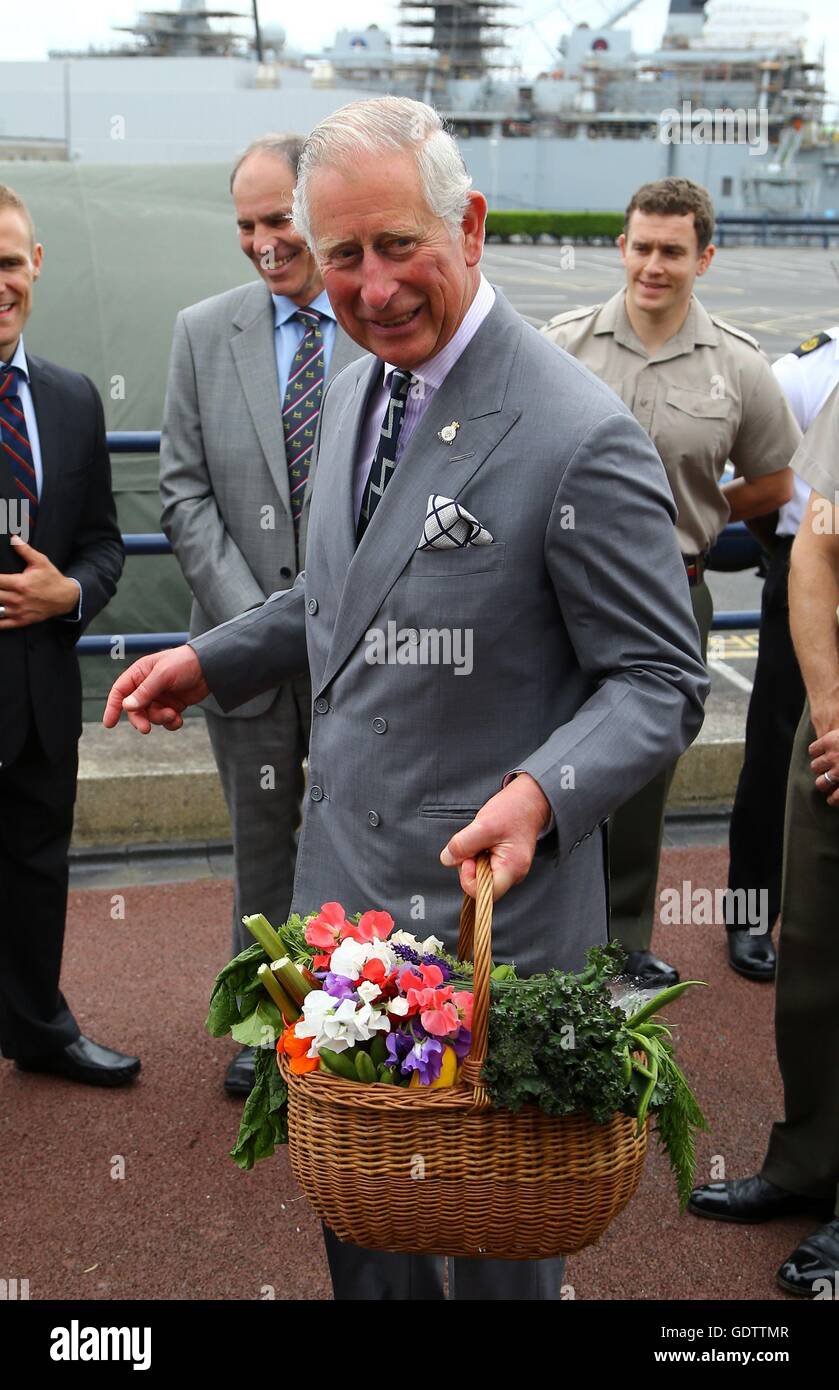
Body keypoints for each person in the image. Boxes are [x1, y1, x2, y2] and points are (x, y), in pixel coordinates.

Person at [104, 96, 707, 1301]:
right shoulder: (358, 381)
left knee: (492, 1256)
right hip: (343, 917)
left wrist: (541, 792)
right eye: (341, 256)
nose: (370, 287)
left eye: (397, 246)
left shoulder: (575, 433)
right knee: (360, 1225)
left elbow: (659, 679)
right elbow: (345, 594)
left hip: (498, 931)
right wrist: (214, 655)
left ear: (469, 224)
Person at [542, 177, 798, 989]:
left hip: (667, 586)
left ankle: (620, 942)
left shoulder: (737, 364)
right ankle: (543, 935)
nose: (653, 265)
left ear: (703, 257)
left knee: (643, 774)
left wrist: (697, 506)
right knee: (542, 758)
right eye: (641, 247)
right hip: (556, 590)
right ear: (622, 247)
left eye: (672, 251)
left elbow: (777, 479)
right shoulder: (560, 346)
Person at [159, 134, 363, 1097]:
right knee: (260, 846)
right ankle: (267, 1025)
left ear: (317, 211)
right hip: (248, 661)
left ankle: (353, 1020)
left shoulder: (379, 325)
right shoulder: (202, 332)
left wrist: (327, 627)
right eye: (244, 225)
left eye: (278, 220)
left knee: (364, 835)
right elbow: (182, 496)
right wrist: (259, 630)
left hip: (368, 653)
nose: (261, 242)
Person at [689, 381, 839, 1296]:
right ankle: (809, 1161)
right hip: (834, 732)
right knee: (813, 967)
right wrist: (827, 710)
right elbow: (816, 549)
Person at [0, 185, 135, 1085]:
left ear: (35, 265)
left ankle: (39, 1031)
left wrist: (68, 596)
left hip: (39, 698)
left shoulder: (72, 398)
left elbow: (103, 543)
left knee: (36, 873)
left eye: (9, 263)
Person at [725, 330, 839, 980]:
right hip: (801, 576)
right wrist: (783, 563)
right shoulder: (802, 370)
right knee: (771, 761)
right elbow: (766, 485)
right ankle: (746, 916)